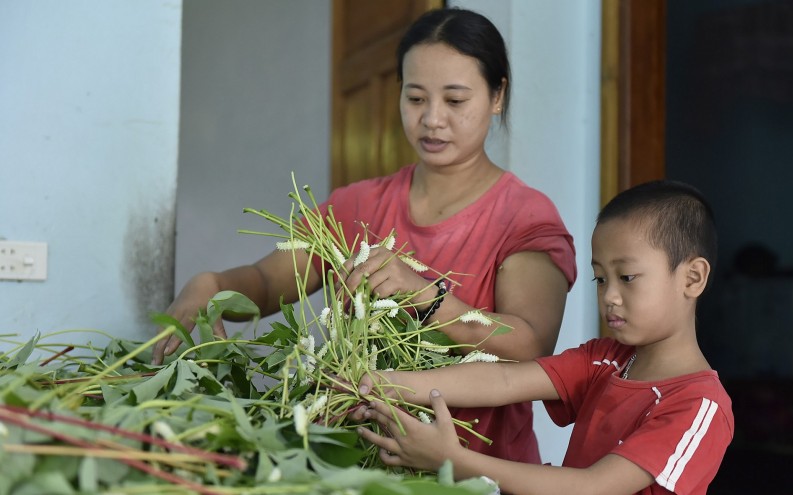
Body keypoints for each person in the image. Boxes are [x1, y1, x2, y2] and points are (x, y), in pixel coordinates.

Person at [152, 7, 577, 464]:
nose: (432, 119)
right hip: (351, 464)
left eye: (455, 101)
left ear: (497, 96)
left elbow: (530, 344)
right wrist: (213, 286)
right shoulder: (357, 206)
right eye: (416, 99)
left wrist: (426, 295)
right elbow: (268, 280)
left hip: (474, 473)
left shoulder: (523, 217)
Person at [353, 180, 734, 495]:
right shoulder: (605, 359)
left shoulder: (701, 405)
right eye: (600, 279)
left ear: (692, 278)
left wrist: (454, 461)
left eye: (627, 277)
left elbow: (595, 486)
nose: (609, 296)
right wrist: (380, 384)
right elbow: (504, 379)